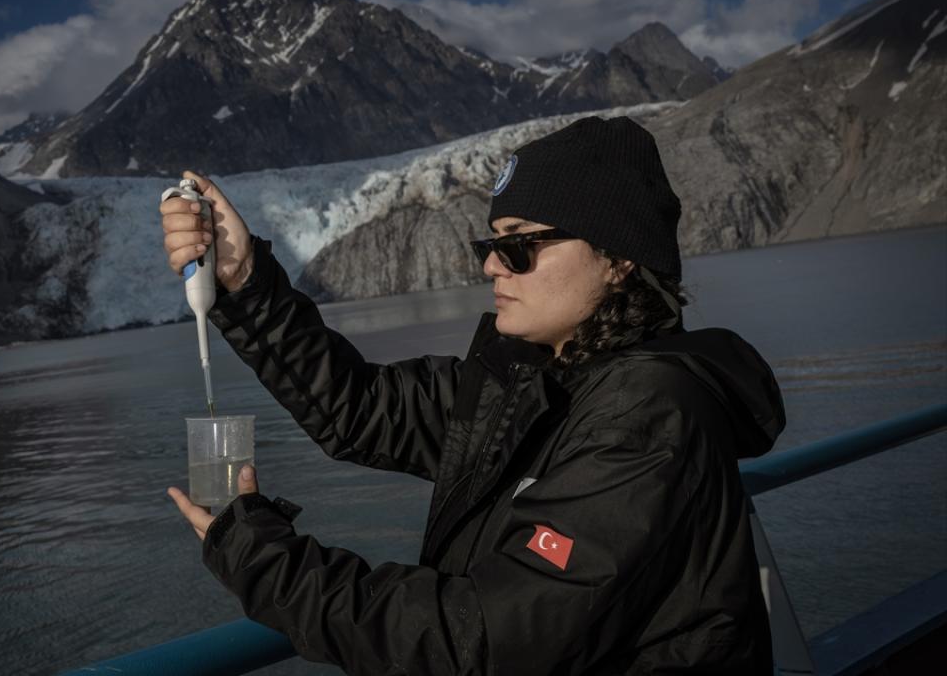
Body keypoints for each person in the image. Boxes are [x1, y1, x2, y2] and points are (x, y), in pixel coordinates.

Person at [161, 116, 784, 674]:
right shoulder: (539, 381)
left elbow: (482, 640)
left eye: (518, 244)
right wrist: (243, 279)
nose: (491, 266)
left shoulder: (646, 415)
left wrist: (264, 560)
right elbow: (363, 410)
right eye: (490, 244)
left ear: (617, 259)